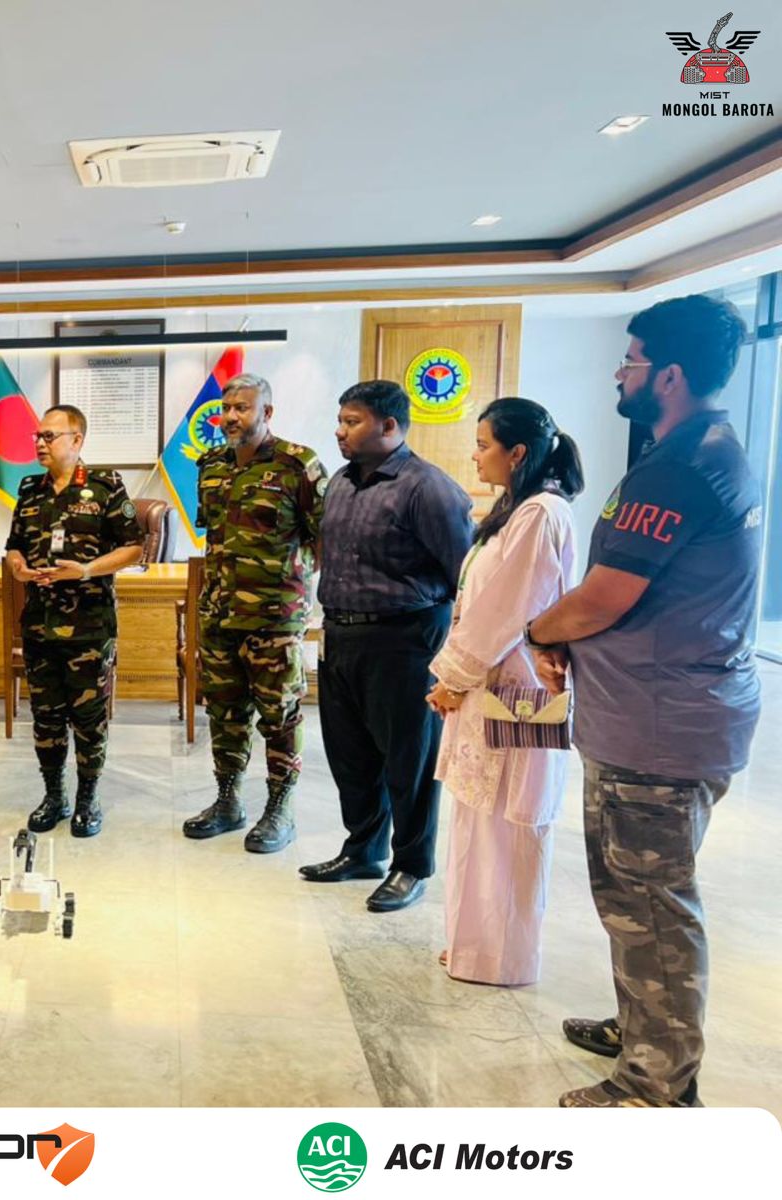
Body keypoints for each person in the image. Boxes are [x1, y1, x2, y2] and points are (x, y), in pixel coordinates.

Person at [527, 295, 760, 1108]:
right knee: (635, 898)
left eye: (629, 360)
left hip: (659, 727)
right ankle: (645, 1028)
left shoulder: (679, 470)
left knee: (651, 905)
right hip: (663, 715)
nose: (619, 374)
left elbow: (603, 597)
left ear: (668, 375)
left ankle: (657, 1084)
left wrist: (538, 631)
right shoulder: (708, 450)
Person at [425, 398, 582, 986]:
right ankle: (472, 944)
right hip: (494, 682)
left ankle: (502, 957)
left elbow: (507, 608)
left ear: (517, 453)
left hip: (521, 687)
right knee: (479, 818)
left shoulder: (541, 513)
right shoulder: (516, 511)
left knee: (513, 820)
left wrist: (452, 677)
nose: (475, 455)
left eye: (483, 444)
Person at [303, 379, 473, 912]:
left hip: (404, 640)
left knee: (409, 761)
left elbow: (466, 576)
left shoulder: (428, 487)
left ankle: (410, 865)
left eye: (352, 421)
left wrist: (455, 659)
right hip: (341, 635)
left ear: (390, 426)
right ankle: (363, 850)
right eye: (341, 420)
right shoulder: (341, 482)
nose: (340, 431)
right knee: (350, 754)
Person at [181, 373, 326, 853]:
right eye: (226, 408)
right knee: (224, 713)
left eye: (241, 408)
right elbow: (216, 537)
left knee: (279, 716)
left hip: (274, 619)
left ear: (267, 412)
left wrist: (301, 600)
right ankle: (228, 801)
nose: (230, 417)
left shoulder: (298, 464)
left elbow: (325, 538)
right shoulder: (211, 466)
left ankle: (280, 808)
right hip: (219, 613)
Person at [5, 404, 145, 838]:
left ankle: (87, 798)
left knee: (87, 718)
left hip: (89, 625)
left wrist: (84, 570)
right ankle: (54, 795)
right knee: (45, 717)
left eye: (49, 436)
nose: (40, 443)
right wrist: (17, 567)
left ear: (77, 440)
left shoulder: (105, 485)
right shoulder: (30, 489)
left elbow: (134, 547)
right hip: (39, 624)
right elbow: (13, 544)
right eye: (37, 436)